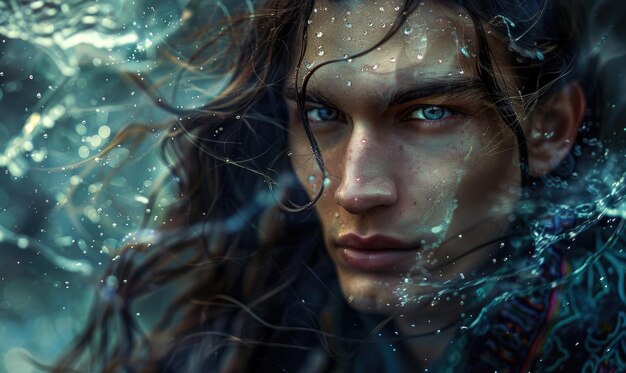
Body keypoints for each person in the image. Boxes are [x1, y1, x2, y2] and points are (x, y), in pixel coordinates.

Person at [50, 0, 626, 372]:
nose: (354, 189)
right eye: (323, 114)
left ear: (548, 127)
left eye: (428, 115)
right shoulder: (263, 338)